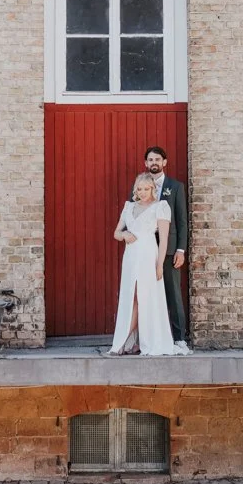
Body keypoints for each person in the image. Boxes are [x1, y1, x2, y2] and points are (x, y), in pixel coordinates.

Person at [107, 173, 186, 356]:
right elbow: (116, 232)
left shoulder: (161, 207)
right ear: (136, 190)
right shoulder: (129, 207)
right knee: (131, 297)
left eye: (146, 188)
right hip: (131, 257)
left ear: (153, 189)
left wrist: (159, 265)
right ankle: (132, 341)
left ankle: (125, 340)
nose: (142, 192)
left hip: (149, 255)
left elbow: (164, 240)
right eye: (139, 189)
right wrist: (124, 235)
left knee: (144, 297)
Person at [141, 146, 190, 349]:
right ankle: (150, 337)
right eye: (150, 159)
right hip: (145, 248)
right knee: (147, 294)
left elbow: (182, 221)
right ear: (146, 163)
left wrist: (181, 249)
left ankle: (179, 338)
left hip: (169, 250)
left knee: (173, 294)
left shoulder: (175, 187)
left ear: (164, 162)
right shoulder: (140, 185)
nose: (154, 162)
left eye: (157, 159)